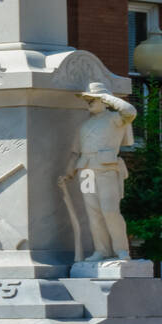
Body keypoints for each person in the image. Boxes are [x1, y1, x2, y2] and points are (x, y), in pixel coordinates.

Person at [65, 82, 136, 261]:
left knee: (110, 210)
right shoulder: (84, 126)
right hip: (86, 171)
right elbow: (75, 152)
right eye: (87, 99)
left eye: (93, 99)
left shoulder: (114, 119)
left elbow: (130, 112)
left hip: (106, 169)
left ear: (104, 101)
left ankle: (121, 250)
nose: (89, 102)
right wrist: (68, 173)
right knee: (93, 212)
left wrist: (108, 97)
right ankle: (101, 250)